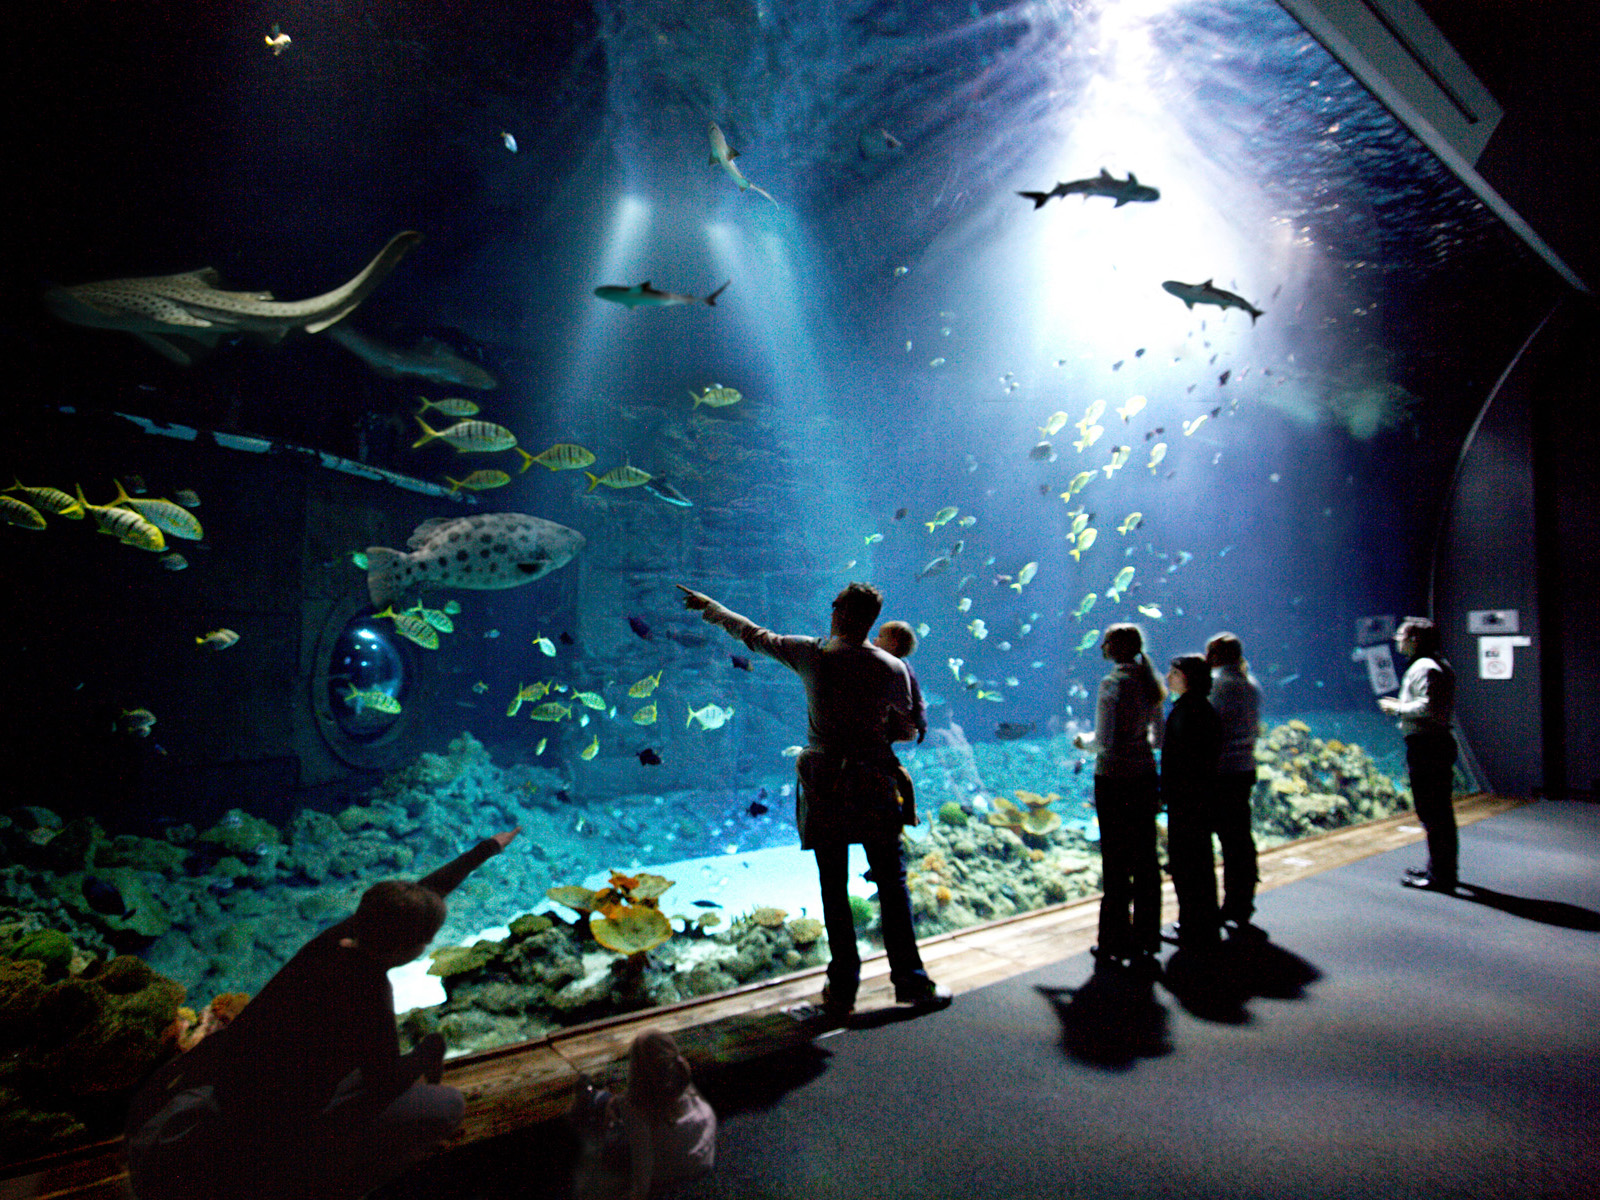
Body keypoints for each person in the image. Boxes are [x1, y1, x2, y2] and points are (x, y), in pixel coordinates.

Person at [123, 828, 521, 1200]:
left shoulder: (331, 945)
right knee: (446, 1105)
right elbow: (384, 1084)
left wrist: (486, 849)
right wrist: (428, 1050)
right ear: (415, 947)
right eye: (427, 938)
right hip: (270, 1131)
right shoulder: (368, 991)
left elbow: (424, 892)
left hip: (226, 1095)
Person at [677, 581, 949, 1017]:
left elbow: (753, 635)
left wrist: (712, 607)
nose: (831, 607)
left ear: (841, 613)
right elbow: (907, 731)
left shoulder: (812, 654)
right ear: (870, 620)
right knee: (892, 884)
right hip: (876, 781)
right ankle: (912, 984)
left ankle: (842, 990)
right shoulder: (892, 668)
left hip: (827, 785)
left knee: (833, 885)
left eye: (835, 603)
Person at [1073, 624, 1166, 973]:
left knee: (1115, 860)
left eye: (1106, 640)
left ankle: (1114, 938)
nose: (1101, 645)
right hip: (1144, 776)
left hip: (1114, 779)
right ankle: (1147, 936)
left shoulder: (1112, 684)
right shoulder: (1149, 682)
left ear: (1116, 647)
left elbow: (1104, 742)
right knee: (1145, 858)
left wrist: (1082, 742)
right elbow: (1158, 739)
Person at [569, 1028, 717, 1200]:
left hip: (664, 1173)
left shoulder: (634, 1108)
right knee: (614, 1102)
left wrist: (635, 1194)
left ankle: (588, 1097)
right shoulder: (681, 1082)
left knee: (607, 1118)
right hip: (702, 1163)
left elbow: (643, 1161)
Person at [1379, 617, 1459, 891]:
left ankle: (1440, 877)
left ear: (1415, 639)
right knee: (1438, 812)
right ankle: (1438, 869)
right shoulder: (1438, 664)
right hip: (1434, 744)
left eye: (1401, 634)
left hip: (1428, 746)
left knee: (1433, 812)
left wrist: (1398, 708)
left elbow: (1428, 706)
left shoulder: (1426, 667)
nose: (1397, 638)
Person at [1161, 654, 1222, 950]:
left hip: (1186, 800)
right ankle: (1204, 922)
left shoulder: (1185, 712)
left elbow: (1178, 760)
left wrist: (1166, 792)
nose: (1168, 677)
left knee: (1186, 864)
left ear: (1188, 678)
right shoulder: (1204, 709)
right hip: (1201, 796)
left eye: (1174, 672)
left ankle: (1190, 925)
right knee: (1200, 862)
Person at [1206, 631, 1264, 935]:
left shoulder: (1219, 685)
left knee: (1225, 839)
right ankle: (1242, 902)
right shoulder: (1250, 684)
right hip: (1245, 767)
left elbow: (1207, 728)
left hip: (1221, 772)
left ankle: (1224, 905)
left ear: (1213, 655)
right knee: (1240, 838)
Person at [873, 619, 927, 826]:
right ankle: (902, 808)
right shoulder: (882, 661)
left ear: (893, 645)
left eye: (880, 636)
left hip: (898, 724)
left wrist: (920, 723)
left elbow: (917, 697)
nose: (875, 639)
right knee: (886, 764)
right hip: (889, 724)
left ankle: (908, 812)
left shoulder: (900, 666)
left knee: (891, 765)